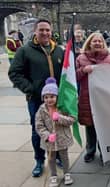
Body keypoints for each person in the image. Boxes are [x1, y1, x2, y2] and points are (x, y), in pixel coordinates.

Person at [8, 19, 64, 177]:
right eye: (42, 30)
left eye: (48, 30)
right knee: (38, 130)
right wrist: (30, 89)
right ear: (35, 31)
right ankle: (39, 160)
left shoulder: (58, 50)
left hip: (57, 100)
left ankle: (58, 156)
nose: (45, 33)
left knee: (57, 128)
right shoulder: (25, 51)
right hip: (36, 100)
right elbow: (14, 73)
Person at [76, 32, 110, 163]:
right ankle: (90, 151)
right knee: (90, 126)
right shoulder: (81, 58)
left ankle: (104, 150)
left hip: (104, 98)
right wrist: (83, 70)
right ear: (89, 43)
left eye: (100, 41)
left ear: (103, 43)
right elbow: (74, 77)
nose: (97, 43)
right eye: (95, 41)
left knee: (104, 126)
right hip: (87, 97)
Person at [35, 77, 74, 187]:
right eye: (46, 97)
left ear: (57, 97)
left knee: (64, 157)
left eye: (52, 97)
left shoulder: (62, 107)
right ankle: (53, 176)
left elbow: (71, 119)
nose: (49, 100)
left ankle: (67, 173)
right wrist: (46, 135)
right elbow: (39, 125)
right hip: (49, 141)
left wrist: (59, 118)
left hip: (62, 138)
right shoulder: (42, 109)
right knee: (51, 158)